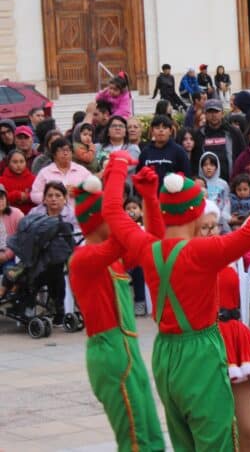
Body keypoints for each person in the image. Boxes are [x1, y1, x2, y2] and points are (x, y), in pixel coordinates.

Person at [100, 148, 250, 451]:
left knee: (184, 440)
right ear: (194, 212)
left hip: (164, 354)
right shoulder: (201, 253)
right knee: (216, 441)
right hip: (200, 351)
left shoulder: (149, 247)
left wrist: (118, 166)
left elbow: (111, 211)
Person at [68, 173, 165, 451]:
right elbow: (124, 240)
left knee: (150, 430)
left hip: (127, 349)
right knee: (134, 438)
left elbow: (154, 239)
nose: (118, 220)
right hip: (109, 354)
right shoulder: (82, 259)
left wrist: (149, 197)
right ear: (99, 220)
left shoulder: (116, 259)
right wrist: (118, 172)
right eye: (112, 215)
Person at [198, 202, 250, 450]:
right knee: (215, 428)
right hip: (207, 341)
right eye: (205, 228)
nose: (212, 231)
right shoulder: (189, 259)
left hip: (234, 338)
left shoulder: (225, 251)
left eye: (215, 226)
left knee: (249, 430)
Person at [27, 181, 78, 325]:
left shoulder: (71, 214)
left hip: (62, 257)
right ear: (44, 199)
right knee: (48, 271)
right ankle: (33, 306)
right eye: (49, 195)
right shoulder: (35, 214)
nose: (53, 199)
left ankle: (59, 307)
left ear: (64, 199)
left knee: (57, 270)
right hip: (37, 257)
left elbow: (77, 238)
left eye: (58, 195)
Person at [191, 99, 245, 181]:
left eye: (216, 111)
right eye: (210, 112)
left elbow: (242, 156)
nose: (213, 115)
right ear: (205, 114)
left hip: (231, 182)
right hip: (205, 183)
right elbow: (194, 160)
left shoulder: (234, 132)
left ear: (222, 113)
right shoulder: (198, 134)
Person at [31, 138, 91, 207]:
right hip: (52, 215)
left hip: (77, 215)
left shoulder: (82, 171)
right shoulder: (45, 173)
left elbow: (93, 191)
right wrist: (52, 195)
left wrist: (79, 191)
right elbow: (34, 195)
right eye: (62, 150)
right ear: (54, 154)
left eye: (68, 150)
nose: (65, 153)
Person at [137, 115, 192, 183]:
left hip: (173, 192)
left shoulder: (179, 151)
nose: (161, 130)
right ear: (152, 131)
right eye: (157, 127)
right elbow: (139, 177)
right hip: (149, 192)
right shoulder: (145, 152)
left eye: (165, 127)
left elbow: (187, 177)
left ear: (170, 131)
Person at [198, 152, 231, 226]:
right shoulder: (198, 183)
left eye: (212, 165)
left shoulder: (223, 184)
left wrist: (224, 216)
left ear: (217, 167)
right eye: (205, 165)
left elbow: (227, 201)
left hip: (221, 220)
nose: (208, 168)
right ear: (201, 167)